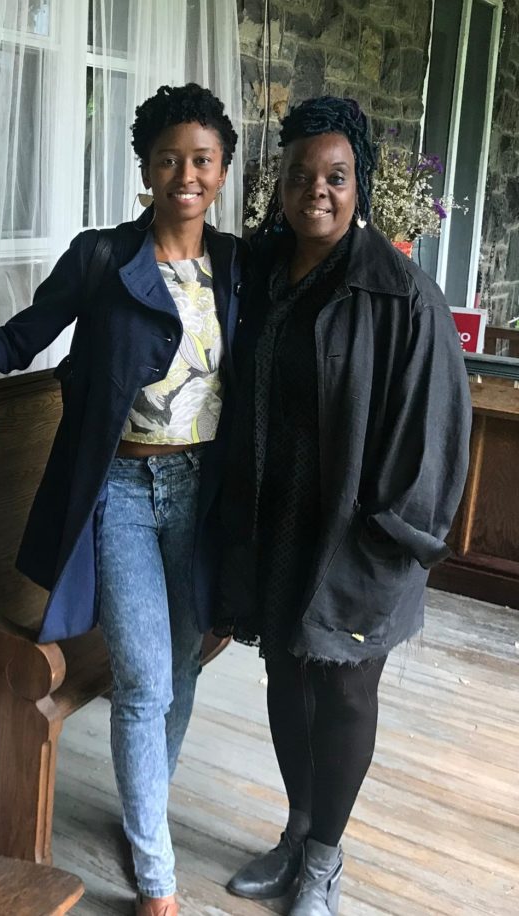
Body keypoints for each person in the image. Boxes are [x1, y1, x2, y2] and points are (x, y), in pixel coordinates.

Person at [0, 84, 242, 916]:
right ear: (146, 168)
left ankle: (144, 803)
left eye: (202, 160)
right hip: (116, 489)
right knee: (145, 679)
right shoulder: (101, 257)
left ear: (221, 171)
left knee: (183, 663)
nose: (185, 174)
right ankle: (155, 875)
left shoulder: (238, 265)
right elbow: (18, 340)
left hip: (201, 491)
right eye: (169, 159)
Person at [217, 97, 471, 915]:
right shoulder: (259, 269)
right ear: (278, 183)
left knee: (347, 689)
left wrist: (389, 539)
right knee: (285, 676)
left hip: (358, 535)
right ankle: (297, 830)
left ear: (359, 184)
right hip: (275, 520)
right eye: (299, 175)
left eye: (334, 176)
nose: (315, 191)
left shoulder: (402, 297)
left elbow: (434, 435)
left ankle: (325, 862)